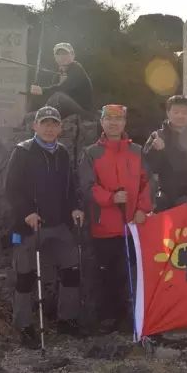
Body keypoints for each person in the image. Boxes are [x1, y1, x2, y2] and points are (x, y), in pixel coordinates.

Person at [5, 106, 85, 347]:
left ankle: (67, 320)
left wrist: (75, 208)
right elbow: (12, 189)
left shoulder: (62, 153)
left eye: (54, 124)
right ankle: (24, 326)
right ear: (35, 126)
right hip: (29, 226)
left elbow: (70, 188)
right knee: (25, 276)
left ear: (60, 128)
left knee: (72, 269)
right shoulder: (22, 151)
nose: (49, 128)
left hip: (59, 224)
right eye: (45, 123)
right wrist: (27, 212)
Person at [79, 104, 152, 333]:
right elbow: (87, 187)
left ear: (124, 123)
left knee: (131, 272)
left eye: (118, 119)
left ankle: (131, 318)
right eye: (109, 119)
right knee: (107, 274)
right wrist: (111, 198)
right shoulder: (91, 153)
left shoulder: (137, 151)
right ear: (102, 122)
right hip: (104, 226)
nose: (113, 123)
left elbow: (148, 182)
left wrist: (143, 208)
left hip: (133, 225)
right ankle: (107, 319)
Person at [143, 95, 187, 212]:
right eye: (176, 112)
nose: (180, 116)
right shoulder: (158, 136)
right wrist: (156, 150)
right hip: (164, 195)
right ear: (168, 113)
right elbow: (149, 168)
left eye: (184, 112)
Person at [30, 42, 94, 119]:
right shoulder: (57, 75)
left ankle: (44, 115)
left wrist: (42, 90)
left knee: (58, 97)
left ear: (73, 55)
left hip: (83, 111)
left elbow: (63, 88)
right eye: (59, 54)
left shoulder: (77, 69)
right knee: (30, 116)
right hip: (65, 110)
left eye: (65, 54)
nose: (62, 57)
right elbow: (52, 95)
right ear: (55, 57)